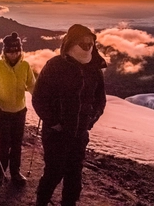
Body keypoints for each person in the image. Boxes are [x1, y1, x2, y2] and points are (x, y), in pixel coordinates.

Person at [32, 24, 107, 206]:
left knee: (74, 174)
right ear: (72, 43)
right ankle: (41, 201)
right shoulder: (55, 65)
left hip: (80, 133)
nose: (88, 47)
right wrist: (54, 123)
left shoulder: (94, 68)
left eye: (90, 43)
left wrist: (90, 120)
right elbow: (39, 98)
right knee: (54, 172)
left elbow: (100, 100)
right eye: (83, 43)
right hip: (56, 134)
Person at [0, 32, 36, 186]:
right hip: (2, 112)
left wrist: (39, 97)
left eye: (16, 50)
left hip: (19, 111)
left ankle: (15, 172)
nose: (14, 53)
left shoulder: (25, 65)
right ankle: (1, 173)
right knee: (4, 145)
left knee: (16, 144)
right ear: (5, 51)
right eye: (10, 51)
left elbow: (31, 84)